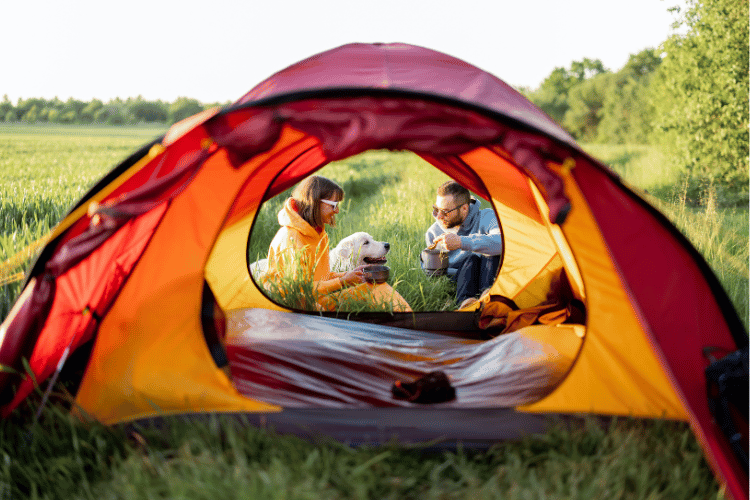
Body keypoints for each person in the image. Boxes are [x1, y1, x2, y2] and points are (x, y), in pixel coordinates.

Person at [263, 175, 411, 312]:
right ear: (314, 203)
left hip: (318, 300)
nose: (337, 210)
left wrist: (350, 275)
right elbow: (300, 290)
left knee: (378, 287)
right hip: (294, 308)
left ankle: (412, 323)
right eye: (333, 205)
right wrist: (342, 281)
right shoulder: (291, 238)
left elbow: (322, 278)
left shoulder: (319, 234)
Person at [424, 181, 503, 308]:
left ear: (464, 208)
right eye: (436, 209)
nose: (439, 216)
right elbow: (433, 274)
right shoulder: (434, 233)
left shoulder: (487, 217)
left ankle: (488, 299)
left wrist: (461, 242)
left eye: (445, 212)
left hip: (489, 274)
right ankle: (466, 304)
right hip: (461, 280)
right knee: (471, 259)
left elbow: (500, 242)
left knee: (488, 251)